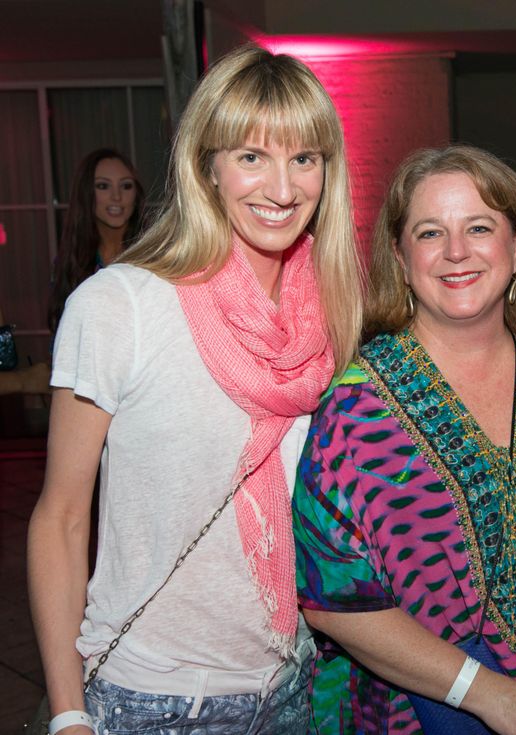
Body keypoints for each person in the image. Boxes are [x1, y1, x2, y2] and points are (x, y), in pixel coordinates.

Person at [27, 45, 362, 735]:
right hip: (155, 700)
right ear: (207, 166)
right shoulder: (121, 305)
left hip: (296, 685)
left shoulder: (334, 317)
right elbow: (61, 517)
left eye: (305, 157)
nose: (281, 185)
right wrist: (67, 714)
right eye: (251, 156)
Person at [293, 145, 516, 735]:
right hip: (420, 716)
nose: (457, 252)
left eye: (478, 227)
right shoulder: (357, 408)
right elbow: (332, 602)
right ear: (401, 258)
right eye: (431, 233)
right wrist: (492, 696)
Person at [48, 148, 145, 332]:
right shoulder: (69, 261)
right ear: (86, 193)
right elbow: (62, 333)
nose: (116, 196)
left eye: (126, 186)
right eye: (103, 186)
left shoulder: (152, 255)